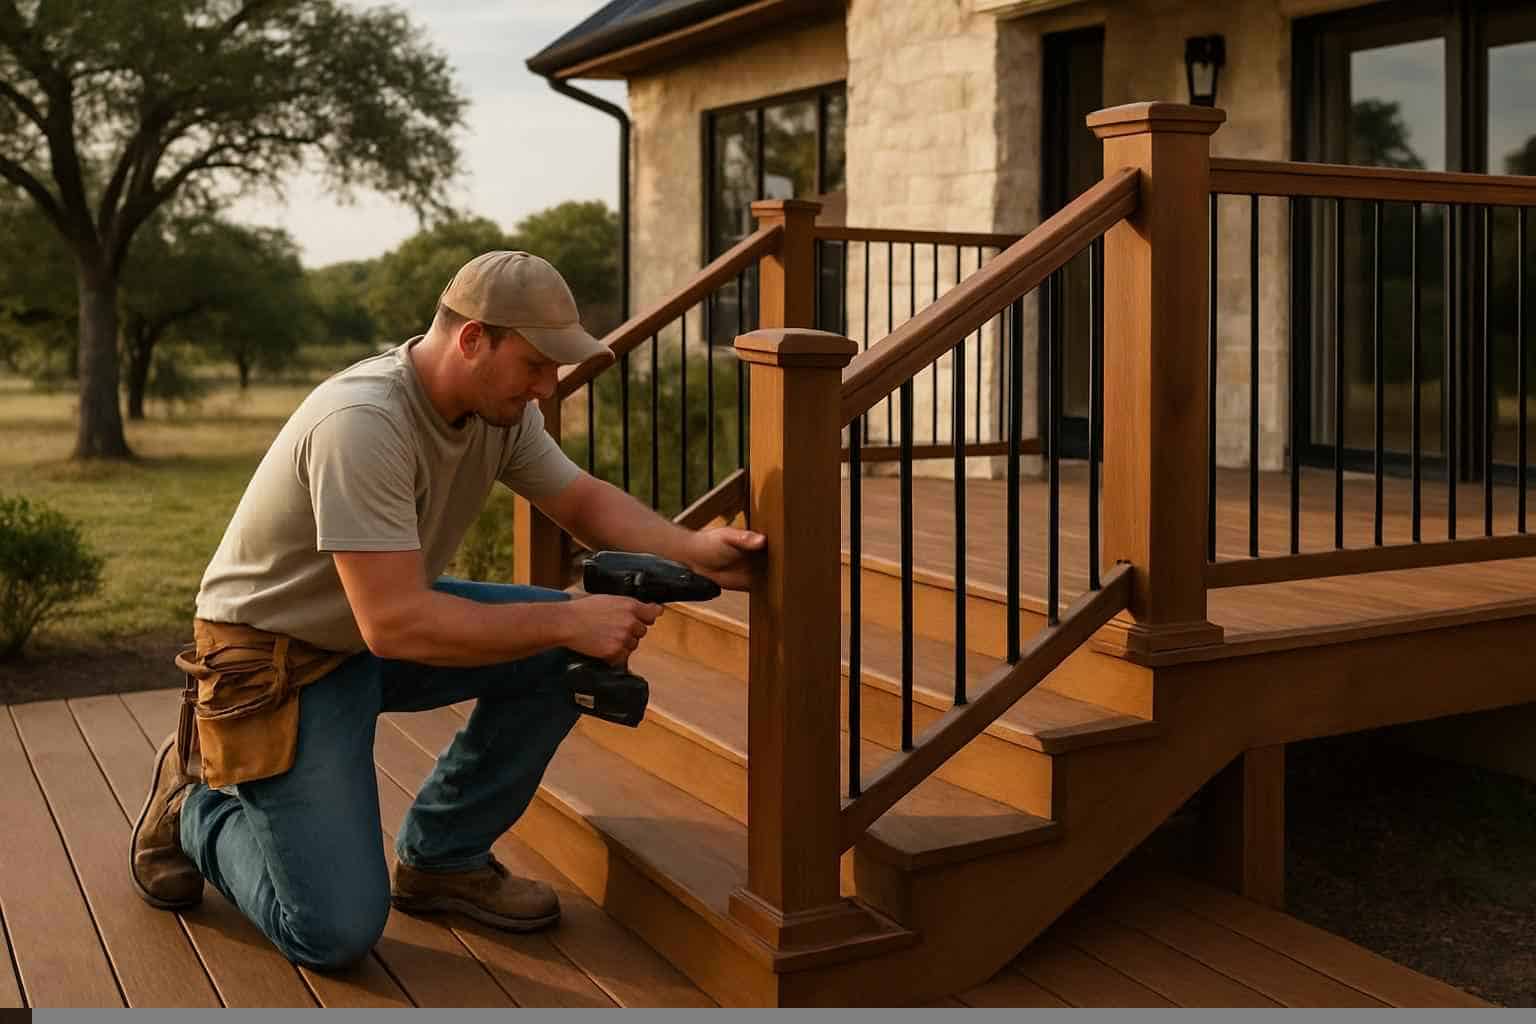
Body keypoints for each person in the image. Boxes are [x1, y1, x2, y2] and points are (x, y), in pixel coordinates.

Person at [127, 251, 764, 971]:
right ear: (472, 340)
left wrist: (696, 549)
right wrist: (569, 617)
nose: (547, 388)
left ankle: (443, 860)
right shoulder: (363, 423)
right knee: (332, 932)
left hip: (374, 627)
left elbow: (579, 501)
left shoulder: (498, 413)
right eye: (535, 365)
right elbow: (395, 624)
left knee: (564, 651)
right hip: (278, 661)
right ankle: (194, 809)